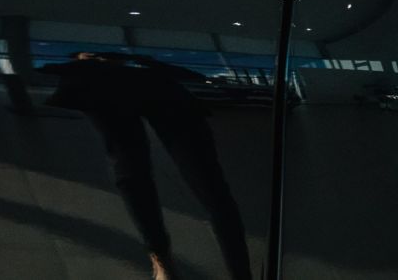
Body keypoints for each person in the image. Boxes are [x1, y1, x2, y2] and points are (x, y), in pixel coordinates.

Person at [44, 51, 252, 280]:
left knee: (204, 181)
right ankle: (164, 260)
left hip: (141, 72)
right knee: (136, 172)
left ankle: (233, 271)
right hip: (108, 75)